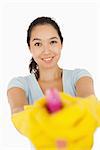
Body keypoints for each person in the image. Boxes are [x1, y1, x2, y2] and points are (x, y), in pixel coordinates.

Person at [7, 16, 95, 149]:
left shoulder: (79, 77)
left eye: (52, 42)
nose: (46, 50)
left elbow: (89, 104)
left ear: (61, 44)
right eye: (38, 44)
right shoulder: (19, 84)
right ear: (29, 48)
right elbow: (18, 113)